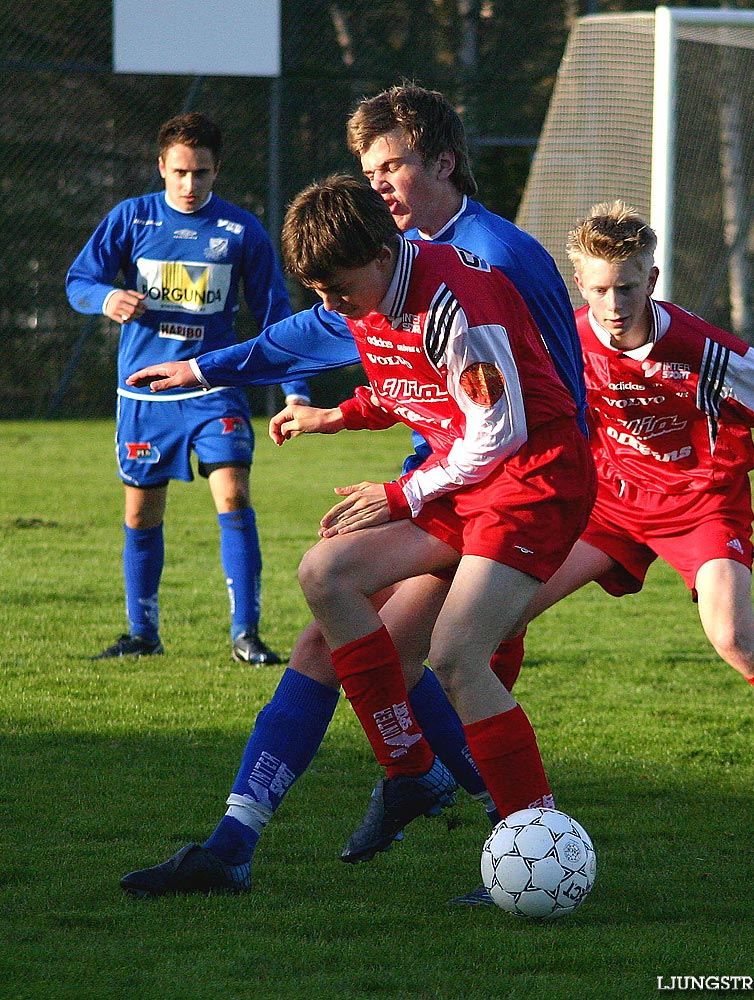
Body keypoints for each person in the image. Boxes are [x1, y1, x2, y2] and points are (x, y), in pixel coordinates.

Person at [118, 86, 584, 899]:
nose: (382, 185)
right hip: (459, 471)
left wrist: (405, 493)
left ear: (438, 162)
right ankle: (366, 790)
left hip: (525, 482)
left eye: (392, 165)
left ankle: (531, 832)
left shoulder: (473, 274)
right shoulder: (374, 269)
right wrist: (335, 411)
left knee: (453, 657)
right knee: (326, 584)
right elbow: (396, 372)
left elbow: (506, 416)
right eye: (372, 171)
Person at [499, 200, 754, 819]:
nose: (614, 303)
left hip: (701, 508)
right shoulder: (564, 342)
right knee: (497, 613)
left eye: (627, 286)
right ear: (580, 284)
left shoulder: (709, 352)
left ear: (651, 280)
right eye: (599, 289)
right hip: (609, 509)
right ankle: (486, 773)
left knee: (734, 635)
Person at [66, 112, 308, 665]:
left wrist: (295, 388)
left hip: (212, 387)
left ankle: (246, 636)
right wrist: (107, 298)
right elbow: (79, 281)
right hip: (144, 395)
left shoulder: (241, 230)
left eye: (201, 173)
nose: (189, 185)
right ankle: (142, 633)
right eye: (179, 172)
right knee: (141, 515)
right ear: (161, 168)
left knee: (234, 494)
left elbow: (276, 313)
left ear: (217, 170)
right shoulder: (132, 219)